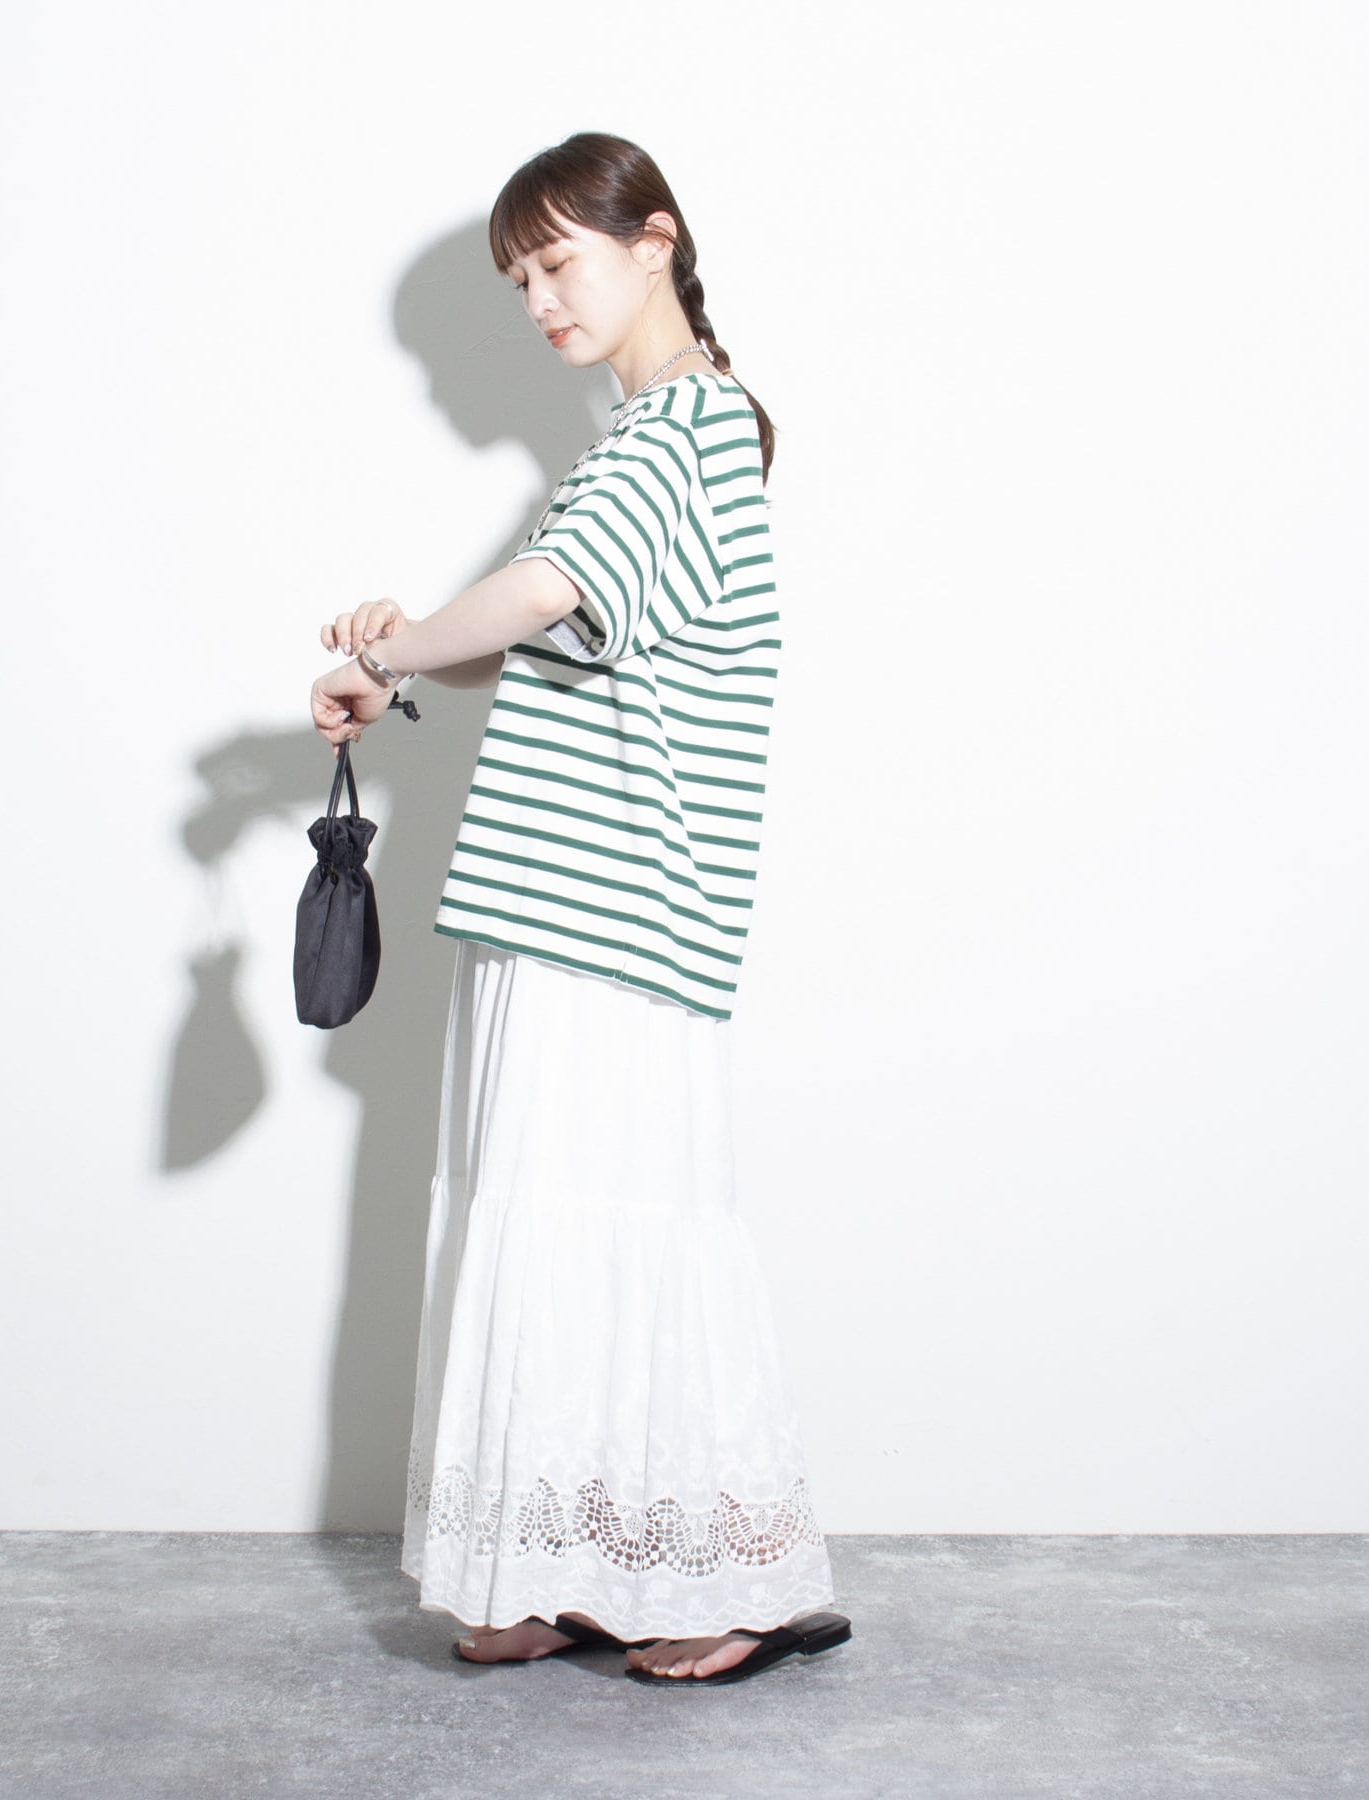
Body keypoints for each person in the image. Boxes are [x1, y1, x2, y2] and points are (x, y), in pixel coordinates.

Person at [310, 132, 850, 1687]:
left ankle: (733, 1586)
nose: (540, 299)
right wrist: (404, 660)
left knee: (624, 1226)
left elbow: (545, 593)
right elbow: (557, 626)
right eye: (519, 280)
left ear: (655, 241)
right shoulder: (647, 442)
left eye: (559, 262)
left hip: (619, 906)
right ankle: (566, 1569)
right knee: (555, 1224)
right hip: (570, 898)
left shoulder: (683, 425)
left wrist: (400, 643)